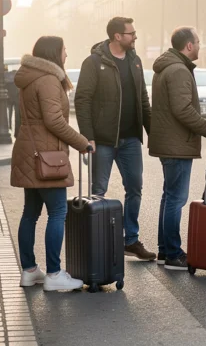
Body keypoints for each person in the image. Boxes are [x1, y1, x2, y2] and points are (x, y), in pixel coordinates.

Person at [12, 36, 92, 292]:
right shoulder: (47, 79)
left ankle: (30, 271)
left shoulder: (30, 76)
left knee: (31, 213)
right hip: (47, 155)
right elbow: (54, 121)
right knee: (58, 212)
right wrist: (82, 143)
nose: (67, 53)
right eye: (64, 49)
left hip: (30, 150)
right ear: (54, 53)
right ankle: (55, 274)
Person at [75, 17, 155, 260]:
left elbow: (143, 99)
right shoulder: (94, 62)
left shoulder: (136, 61)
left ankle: (130, 240)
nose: (135, 37)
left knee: (135, 188)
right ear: (117, 36)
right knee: (98, 191)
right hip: (104, 139)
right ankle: (95, 242)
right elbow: (83, 100)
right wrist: (88, 137)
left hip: (131, 139)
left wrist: (154, 133)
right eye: (131, 33)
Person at [149, 27, 206, 270]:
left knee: (169, 197)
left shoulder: (167, 67)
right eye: (198, 42)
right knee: (176, 199)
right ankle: (172, 253)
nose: (200, 46)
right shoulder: (179, 70)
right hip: (177, 144)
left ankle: (164, 250)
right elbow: (183, 109)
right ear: (189, 46)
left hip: (170, 142)